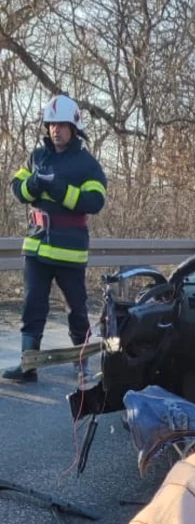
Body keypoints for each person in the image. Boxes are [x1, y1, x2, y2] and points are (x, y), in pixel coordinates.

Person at [2, 95, 107, 384]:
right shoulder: (37, 156)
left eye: (61, 125)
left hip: (69, 251)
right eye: (51, 125)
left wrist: (61, 190)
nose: (55, 130)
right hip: (36, 248)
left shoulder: (86, 164)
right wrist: (33, 183)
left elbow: (95, 201)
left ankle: (82, 365)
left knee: (76, 310)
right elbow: (17, 189)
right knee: (32, 307)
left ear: (73, 127)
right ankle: (28, 365)